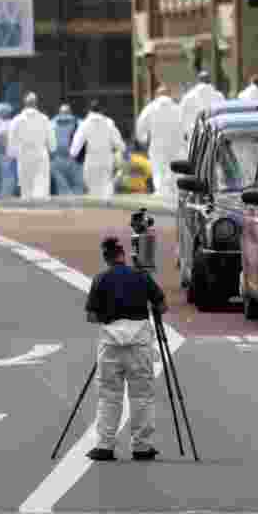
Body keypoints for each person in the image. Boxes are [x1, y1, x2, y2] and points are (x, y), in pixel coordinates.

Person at [85, 236, 168, 462]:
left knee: (109, 395)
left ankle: (104, 446)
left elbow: (91, 316)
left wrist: (110, 316)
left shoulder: (100, 279)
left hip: (110, 345)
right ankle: (142, 446)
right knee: (141, 395)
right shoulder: (141, 276)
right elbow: (162, 306)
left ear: (106, 258)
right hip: (139, 344)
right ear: (123, 255)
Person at [70, 100, 125, 200]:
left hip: (91, 160)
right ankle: (108, 207)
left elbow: (77, 143)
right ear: (102, 110)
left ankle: (97, 211)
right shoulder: (109, 123)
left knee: (93, 190)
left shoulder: (85, 123)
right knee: (106, 187)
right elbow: (119, 143)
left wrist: (73, 154)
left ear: (90, 110)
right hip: (106, 160)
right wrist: (121, 149)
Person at [135, 86, 182, 199]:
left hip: (157, 144)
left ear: (157, 95)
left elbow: (140, 125)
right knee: (173, 168)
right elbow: (184, 125)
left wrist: (143, 138)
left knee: (158, 167)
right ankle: (173, 191)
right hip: (174, 144)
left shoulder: (150, 108)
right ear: (169, 95)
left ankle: (160, 191)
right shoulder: (178, 108)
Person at [7, 92, 56, 201]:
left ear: (24, 103)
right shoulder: (44, 118)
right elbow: (51, 138)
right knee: (41, 182)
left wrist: (11, 154)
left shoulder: (17, 120)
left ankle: (27, 206)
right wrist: (52, 149)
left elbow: (12, 139)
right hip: (40, 153)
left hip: (24, 154)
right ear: (36, 103)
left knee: (26, 185)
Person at [179, 71, 225, 146]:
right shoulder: (219, 96)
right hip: (214, 137)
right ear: (210, 81)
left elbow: (182, 117)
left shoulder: (188, 97)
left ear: (198, 81)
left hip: (194, 137)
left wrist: (185, 133)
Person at [51, 103, 83, 195]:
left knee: (67, 187)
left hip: (66, 158)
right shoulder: (79, 122)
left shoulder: (52, 123)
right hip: (67, 158)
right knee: (76, 186)